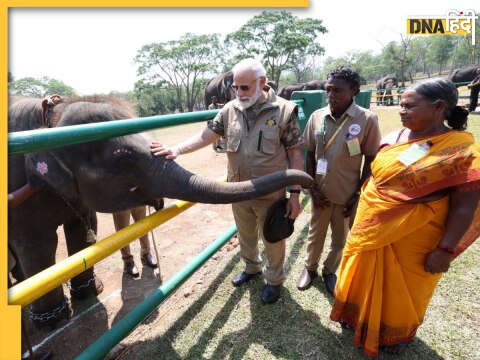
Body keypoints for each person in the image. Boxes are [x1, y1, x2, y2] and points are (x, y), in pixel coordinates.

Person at [330, 78, 480, 356]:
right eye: (401, 105)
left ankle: (394, 335)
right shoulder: (392, 138)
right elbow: (375, 179)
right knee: (359, 275)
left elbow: (465, 206)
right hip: (369, 226)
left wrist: (444, 250)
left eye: (410, 106)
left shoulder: (460, 151)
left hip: (413, 238)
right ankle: (355, 318)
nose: (401, 110)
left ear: (438, 107)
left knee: (402, 291)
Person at [150, 58, 304, 304]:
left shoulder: (284, 111)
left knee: (273, 239)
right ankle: (252, 268)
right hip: (236, 191)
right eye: (235, 87)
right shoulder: (230, 109)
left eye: (245, 87)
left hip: (270, 193)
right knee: (245, 235)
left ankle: (274, 281)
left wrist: (294, 195)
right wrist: (176, 149)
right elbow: (206, 136)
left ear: (262, 82)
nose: (239, 93)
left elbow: (295, 153)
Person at [296, 66, 381, 295]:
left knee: (340, 238)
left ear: (353, 90)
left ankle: (329, 271)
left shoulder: (367, 119)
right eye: (328, 89)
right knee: (315, 234)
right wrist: (311, 187)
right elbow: (311, 155)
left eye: (338, 91)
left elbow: (371, 159)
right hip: (320, 192)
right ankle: (310, 268)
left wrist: (358, 195)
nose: (331, 95)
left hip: (347, 194)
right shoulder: (317, 117)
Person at [113, 206, 158, 278]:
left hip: (138, 196)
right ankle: (127, 260)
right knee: (122, 228)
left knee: (143, 223)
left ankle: (145, 252)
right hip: (119, 198)